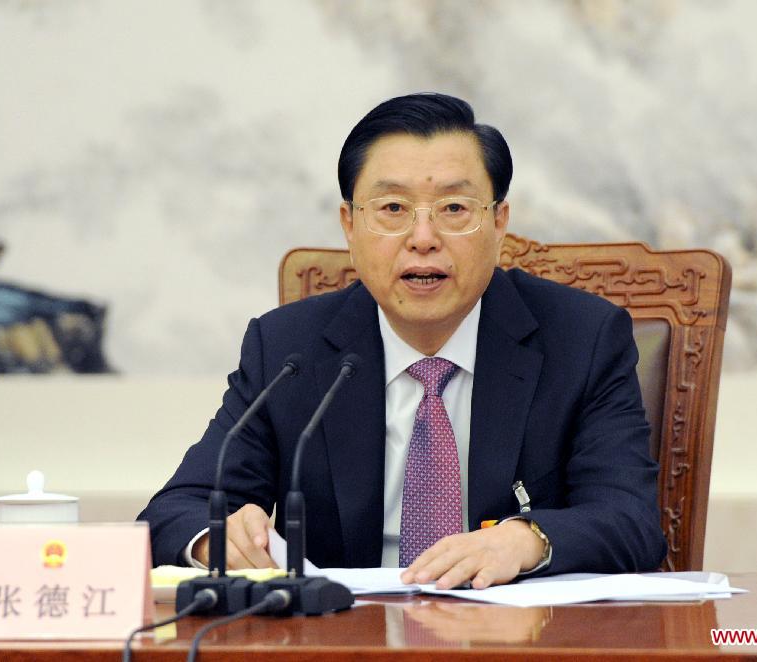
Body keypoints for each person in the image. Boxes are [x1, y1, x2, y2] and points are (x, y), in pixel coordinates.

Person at [138, 93, 666, 589]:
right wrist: (215, 540)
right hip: (343, 642)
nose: (422, 238)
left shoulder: (583, 338)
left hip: (516, 641)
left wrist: (525, 541)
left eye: (454, 209)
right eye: (392, 209)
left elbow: (631, 521)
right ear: (349, 224)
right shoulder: (288, 349)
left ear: (499, 223)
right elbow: (174, 511)